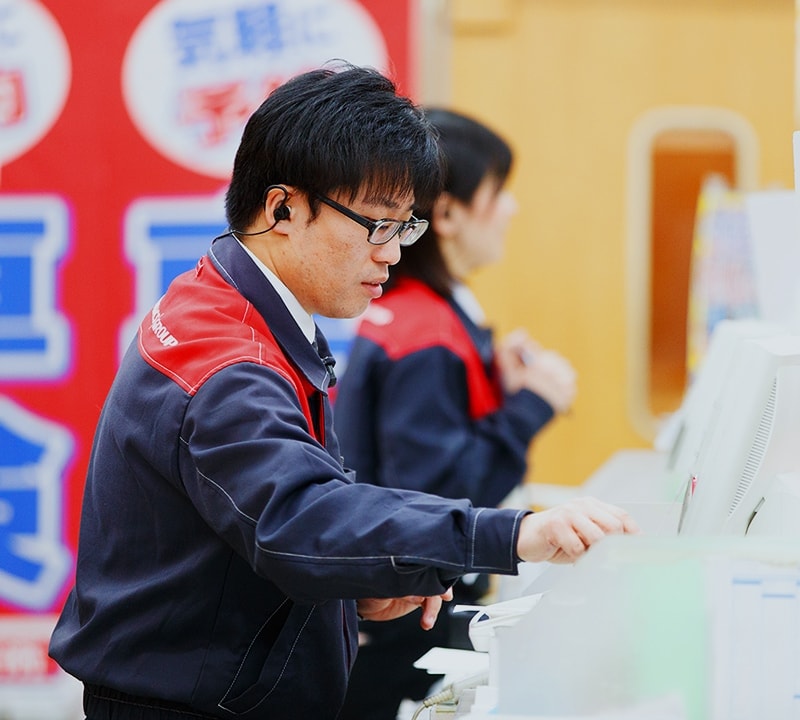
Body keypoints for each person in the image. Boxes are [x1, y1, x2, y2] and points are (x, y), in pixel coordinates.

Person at [48, 65, 638, 720]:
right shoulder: (228, 360)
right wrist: (513, 536)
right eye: (377, 224)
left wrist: (348, 588)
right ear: (283, 208)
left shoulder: (231, 305)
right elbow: (297, 517)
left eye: (404, 226)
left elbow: (253, 519)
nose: (391, 252)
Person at [333, 108, 578, 719]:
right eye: (498, 192)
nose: (512, 210)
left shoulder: (424, 314)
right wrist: (532, 405)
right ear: (445, 215)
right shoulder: (427, 332)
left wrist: (498, 380)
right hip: (402, 625)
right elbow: (438, 495)